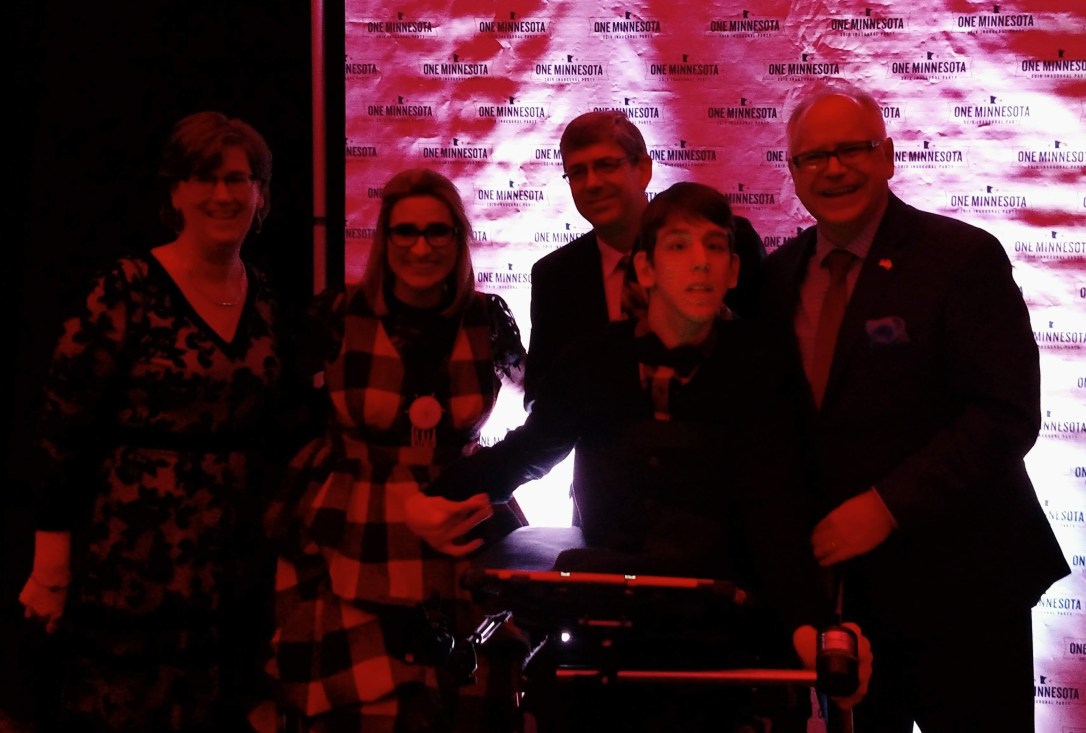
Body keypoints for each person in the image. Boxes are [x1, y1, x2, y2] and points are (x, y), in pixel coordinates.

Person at [426, 182, 869, 732]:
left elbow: (775, 506)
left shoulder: (762, 363)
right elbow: (528, 453)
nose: (700, 264)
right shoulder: (594, 359)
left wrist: (810, 624)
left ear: (734, 270)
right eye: (679, 246)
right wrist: (427, 499)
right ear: (645, 268)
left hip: (725, 628)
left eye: (715, 247)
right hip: (611, 628)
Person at [759, 83, 1070, 733]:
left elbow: (1005, 413)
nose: (834, 168)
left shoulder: (961, 257)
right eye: (813, 157)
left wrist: (887, 504)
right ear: (791, 172)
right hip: (853, 603)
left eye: (853, 149)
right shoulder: (777, 274)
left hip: (966, 584)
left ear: (890, 155)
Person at [18, 111, 289, 731]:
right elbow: (62, 430)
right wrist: (49, 561)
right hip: (129, 566)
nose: (222, 194)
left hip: (231, 571)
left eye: (237, 179)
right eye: (203, 178)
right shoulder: (125, 288)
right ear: (175, 191)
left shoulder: (269, 301)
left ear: (260, 195)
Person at [262, 168, 528, 733]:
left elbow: (543, 412)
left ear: (458, 239)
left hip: (458, 521)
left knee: (462, 698)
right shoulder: (333, 314)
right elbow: (283, 413)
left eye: (438, 232)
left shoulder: (490, 318)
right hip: (353, 528)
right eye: (405, 232)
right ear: (385, 238)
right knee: (355, 703)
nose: (421, 246)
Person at [524, 110, 766, 409]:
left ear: (644, 169)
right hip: (609, 452)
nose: (592, 183)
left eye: (605, 165)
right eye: (577, 172)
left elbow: (766, 356)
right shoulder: (556, 277)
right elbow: (539, 395)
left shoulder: (727, 242)